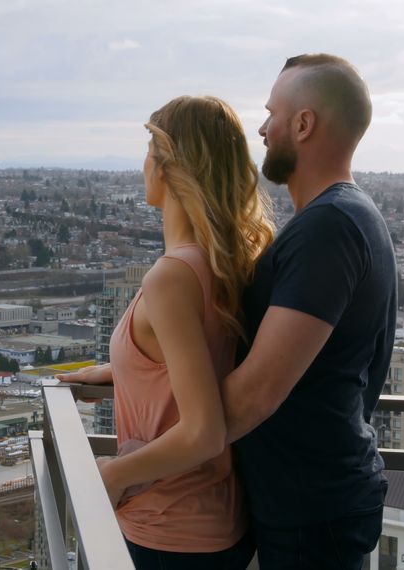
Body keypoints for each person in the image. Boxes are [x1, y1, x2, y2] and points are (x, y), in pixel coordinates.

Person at [58, 95, 274, 569]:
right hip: (215, 524)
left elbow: (203, 431)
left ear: (166, 165)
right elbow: (198, 370)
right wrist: (122, 372)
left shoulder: (172, 276)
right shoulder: (224, 264)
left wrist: (111, 476)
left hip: (170, 531)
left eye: (149, 149)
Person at [220, 54, 396, 569]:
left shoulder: (330, 228)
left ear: (303, 124)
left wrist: (156, 449)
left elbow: (258, 392)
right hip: (312, 504)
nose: (261, 127)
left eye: (271, 113)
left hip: (311, 513)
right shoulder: (347, 216)